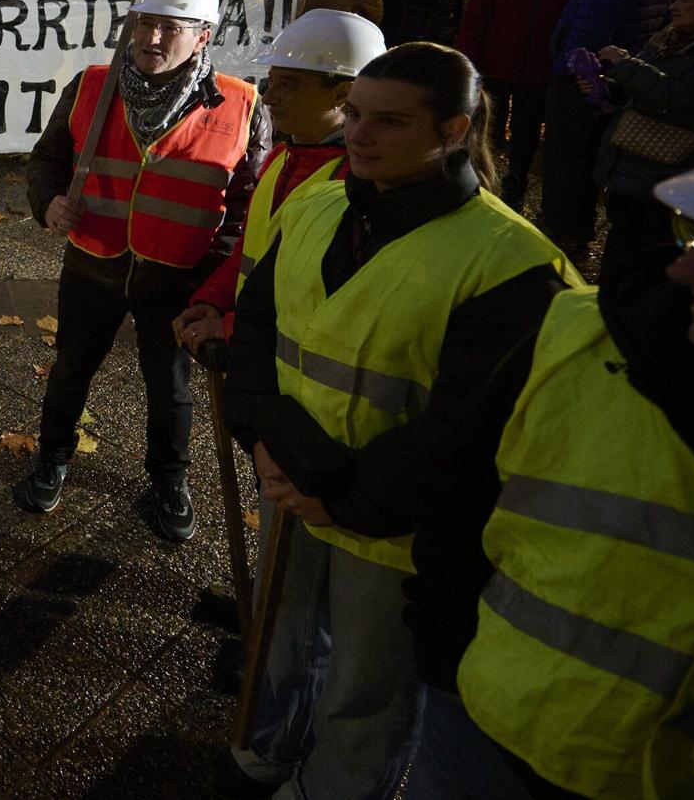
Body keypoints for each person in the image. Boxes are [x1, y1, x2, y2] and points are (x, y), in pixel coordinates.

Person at [221, 42, 572, 800]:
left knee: (366, 688)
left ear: (452, 129)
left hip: (398, 531)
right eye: (354, 114)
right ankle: (269, 754)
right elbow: (254, 332)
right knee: (283, 646)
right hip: (292, 486)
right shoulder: (316, 205)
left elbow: (466, 433)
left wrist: (334, 496)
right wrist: (260, 440)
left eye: (389, 121)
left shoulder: (511, 262)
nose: (359, 134)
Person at [409, 165, 694, 799]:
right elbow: (462, 496)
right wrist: (441, 659)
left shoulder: (518, 261)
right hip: (481, 722)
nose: (685, 269)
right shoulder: (573, 329)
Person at [18, 0, 268, 540]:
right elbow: (46, 161)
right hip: (92, 265)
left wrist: (211, 285)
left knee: (170, 386)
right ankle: (52, 460)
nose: (152, 39)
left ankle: (169, 481)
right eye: (144, 24)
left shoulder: (242, 104)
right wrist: (49, 202)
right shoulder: (91, 85)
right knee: (71, 370)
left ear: (203, 34)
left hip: (179, 281)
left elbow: (248, 203)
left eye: (170, 29)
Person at [174, 9, 386, 351]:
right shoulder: (282, 157)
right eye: (271, 81)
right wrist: (212, 299)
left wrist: (231, 325)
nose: (270, 96)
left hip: (299, 370)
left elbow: (326, 296)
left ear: (341, 94)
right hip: (256, 346)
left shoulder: (360, 181)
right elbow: (253, 250)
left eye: (289, 84)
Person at [542, 0, 677, 261]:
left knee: (569, 158)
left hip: (584, 82)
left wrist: (569, 67)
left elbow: (587, 37)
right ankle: (578, 227)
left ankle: (563, 230)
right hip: (622, 77)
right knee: (589, 157)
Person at [454, 0, 585, 210]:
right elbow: (477, 15)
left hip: (542, 68)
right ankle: (479, 178)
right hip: (497, 62)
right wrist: (469, 60)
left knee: (526, 130)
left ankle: (515, 186)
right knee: (486, 126)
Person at [587, 0, 694, 261]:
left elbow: (676, 98)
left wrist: (625, 66)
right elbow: (643, 90)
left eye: (684, 0)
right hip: (635, 163)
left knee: (650, 249)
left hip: (674, 171)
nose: (673, 7)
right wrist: (608, 85)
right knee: (623, 240)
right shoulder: (670, 37)